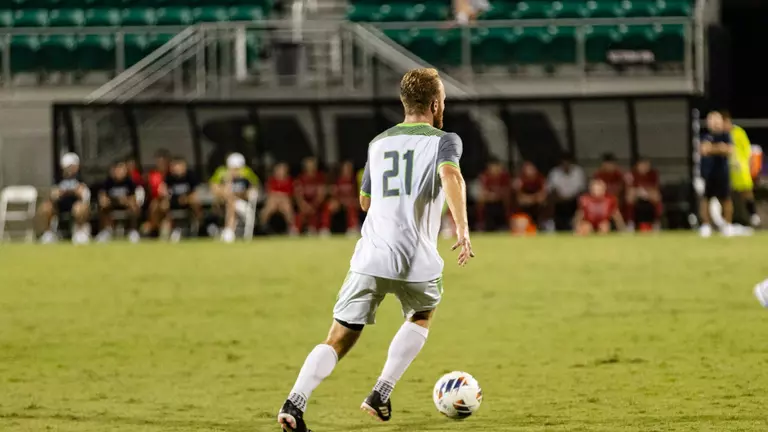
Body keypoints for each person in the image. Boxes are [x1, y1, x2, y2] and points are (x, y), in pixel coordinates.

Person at [277, 68, 474, 432]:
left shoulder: (378, 143)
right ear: (435, 103)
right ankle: (380, 392)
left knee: (338, 336)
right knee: (421, 315)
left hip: (371, 256)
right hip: (416, 259)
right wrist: (461, 226)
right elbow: (451, 176)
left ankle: (295, 402)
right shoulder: (445, 140)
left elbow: (365, 201)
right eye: (442, 99)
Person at [38, 153, 91, 244]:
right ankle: (48, 234)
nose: (70, 169)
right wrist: (58, 193)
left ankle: (80, 232)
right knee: (45, 207)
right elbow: (52, 194)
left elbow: (86, 196)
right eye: (68, 166)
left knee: (79, 208)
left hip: (76, 204)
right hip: (59, 205)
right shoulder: (58, 178)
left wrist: (77, 192)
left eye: (72, 166)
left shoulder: (82, 177)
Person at [209, 153, 260, 243]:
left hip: (243, 204)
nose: (235, 171)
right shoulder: (223, 174)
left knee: (231, 202)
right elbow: (215, 189)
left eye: (237, 168)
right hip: (224, 204)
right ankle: (228, 231)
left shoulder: (246, 174)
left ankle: (229, 231)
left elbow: (253, 189)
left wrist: (238, 195)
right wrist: (228, 182)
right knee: (230, 201)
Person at [699, 111, 735, 237]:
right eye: (711, 120)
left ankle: (728, 225)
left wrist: (713, 149)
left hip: (722, 173)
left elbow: (729, 150)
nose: (714, 123)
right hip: (708, 173)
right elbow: (703, 149)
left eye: (716, 120)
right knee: (706, 200)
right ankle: (706, 225)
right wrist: (719, 148)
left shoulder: (726, 135)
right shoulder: (705, 136)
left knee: (726, 199)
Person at [722, 111, 760, 227]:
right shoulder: (721, 135)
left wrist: (748, 164)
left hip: (741, 168)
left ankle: (753, 215)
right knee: (729, 197)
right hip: (727, 170)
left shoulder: (738, 132)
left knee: (746, 192)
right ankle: (734, 221)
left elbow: (747, 150)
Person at [157, 156, 201, 242]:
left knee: (195, 202)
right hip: (174, 201)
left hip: (188, 201)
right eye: (174, 166)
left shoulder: (190, 175)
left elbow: (196, 193)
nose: (176, 168)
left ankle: (199, 227)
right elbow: (163, 189)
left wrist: (187, 198)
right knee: (162, 205)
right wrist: (164, 194)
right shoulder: (169, 176)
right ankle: (167, 229)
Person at [96, 159, 140, 243]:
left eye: (123, 169)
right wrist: (112, 200)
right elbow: (102, 195)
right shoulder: (108, 182)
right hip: (112, 204)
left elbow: (133, 198)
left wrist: (125, 200)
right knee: (103, 205)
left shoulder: (129, 182)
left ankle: (132, 231)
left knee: (134, 207)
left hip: (125, 205)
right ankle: (106, 231)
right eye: (119, 169)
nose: (121, 172)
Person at [547, 152, 586, 231]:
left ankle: (576, 228)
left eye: (567, 162)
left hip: (574, 201)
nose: (566, 165)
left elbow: (581, 190)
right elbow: (553, 190)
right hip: (559, 201)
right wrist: (562, 199)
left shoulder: (578, 172)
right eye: (563, 163)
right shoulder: (554, 173)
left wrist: (571, 199)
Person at [322, 161, 360, 235]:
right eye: (345, 169)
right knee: (329, 205)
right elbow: (334, 194)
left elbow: (357, 195)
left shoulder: (354, 180)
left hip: (351, 202)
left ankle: (352, 228)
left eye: (349, 169)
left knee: (351, 205)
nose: (347, 171)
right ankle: (325, 228)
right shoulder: (338, 180)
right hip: (340, 202)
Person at [625, 158, 662, 232]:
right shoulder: (631, 174)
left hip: (649, 196)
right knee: (630, 196)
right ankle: (630, 223)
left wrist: (646, 193)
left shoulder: (653, 174)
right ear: (637, 166)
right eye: (642, 165)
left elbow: (655, 189)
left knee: (657, 196)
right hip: (637, 196)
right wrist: (639, 192)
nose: (644, 167)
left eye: (646, 165)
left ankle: (656, 223)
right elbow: (629, 189)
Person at [260, 162, 298, 234]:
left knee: (285, 202)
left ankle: (292, 228)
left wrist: (280, 197)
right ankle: (262, 227)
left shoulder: (290, 181)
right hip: (273, 204)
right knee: (272, 201)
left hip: (285, 204)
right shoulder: (271, 180)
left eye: (282, 170)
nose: (280, 172)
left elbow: (291, 195)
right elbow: (269, 193)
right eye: (279, 170)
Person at [475, 158, 511, 231]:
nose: (495, 169)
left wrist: (497, 195)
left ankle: (504, 225)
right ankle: (482, 224)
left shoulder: (504, 176)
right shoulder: (485, 176)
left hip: (501, 202)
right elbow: (482, 192)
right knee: (482, 201)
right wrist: (491, 196)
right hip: (489, 203)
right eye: (493, 167)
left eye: (497, 167)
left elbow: (507, 191)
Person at [294, 157, 327, 235]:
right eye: (309, 165)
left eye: (312, 165)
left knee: (322, 209)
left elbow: (321, 194)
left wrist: (314, 205)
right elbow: (298, 195)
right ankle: (296, 229)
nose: (311, 167)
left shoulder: (320, 177)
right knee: (302, 212)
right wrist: (304, 205)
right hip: (305, 203)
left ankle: (322, 228)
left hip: (316, 203)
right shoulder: (301, 178)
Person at [513, 161, 547, 230]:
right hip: (524, 209)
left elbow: (542, 197)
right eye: (528, 169)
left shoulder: (540, 179)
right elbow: (520, 199)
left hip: (537, 208)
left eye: (531, 169)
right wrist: (532, 199)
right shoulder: (520, 180)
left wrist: (531, 199)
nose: (530, 171)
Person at [143, 149, 171, 235]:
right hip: (156, 201)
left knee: (164, 205)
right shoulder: (152, 175)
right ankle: (155, 228)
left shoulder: (172, 174)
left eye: (163, 161)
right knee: (155, 205)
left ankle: (166, 228)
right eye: (159, 161)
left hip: (172, 201)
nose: (161, 164)